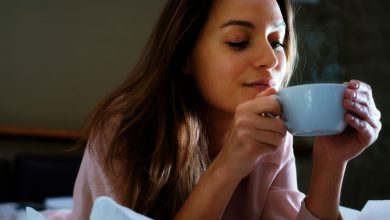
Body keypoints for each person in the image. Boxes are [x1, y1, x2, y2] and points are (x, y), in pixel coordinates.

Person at [62, 0, 382, 219]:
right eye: (239, 41)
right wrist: (230, 164)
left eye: (277, 41)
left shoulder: (273, 132)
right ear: (184, 55)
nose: (271, 61)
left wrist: (330, 162)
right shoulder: (127, 127)